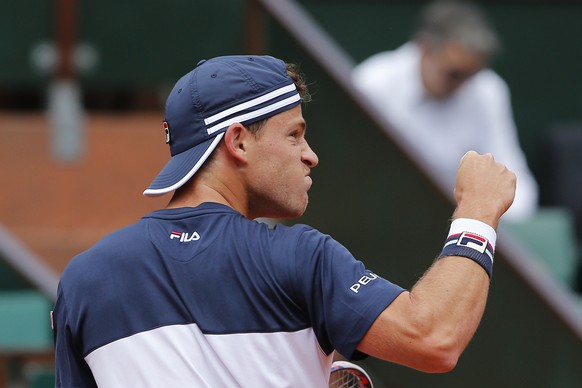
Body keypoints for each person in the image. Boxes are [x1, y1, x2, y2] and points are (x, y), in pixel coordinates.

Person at [52, 55, 516, 387]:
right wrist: (477, 212)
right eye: (294, 134)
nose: (310, 156)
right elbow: (434, 338)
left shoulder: (83, 279)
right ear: (238, 142)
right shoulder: (298, 256)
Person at [352, 0, 536, 221]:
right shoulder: (373, 84)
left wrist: (493, 215)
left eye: (472, 75)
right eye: (454, 74)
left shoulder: (488, 90)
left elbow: (514, 176)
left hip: (464, 222)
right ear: (424, 48)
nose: (464, 86)